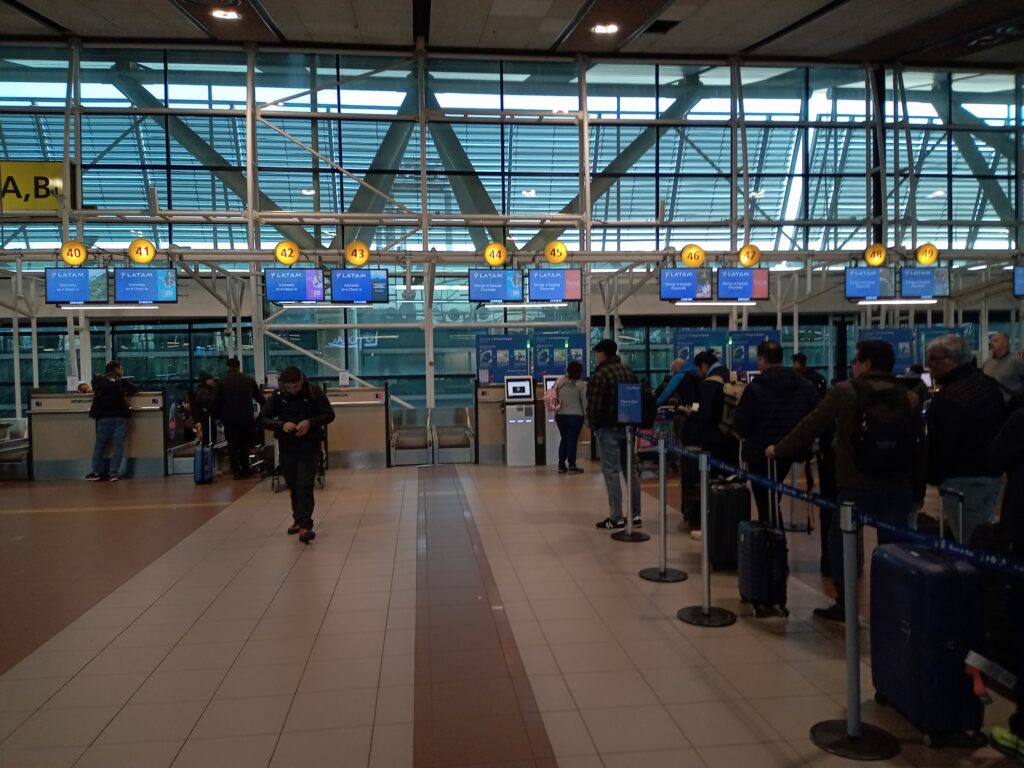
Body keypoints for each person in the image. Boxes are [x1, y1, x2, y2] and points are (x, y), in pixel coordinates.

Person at [767, 340, 926, 622]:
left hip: (856, 483)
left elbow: (811, 425)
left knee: (841, 543)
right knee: (895, 550)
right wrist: (918, 490)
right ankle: (895, 611)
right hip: (897, 484)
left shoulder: (846, 392)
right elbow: (919, 448)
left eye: (855, 360)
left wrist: (778, 450)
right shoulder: (909, 398)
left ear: (866, 364)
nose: (853, 365)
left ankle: (846, 604)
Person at [927, 334, 1006, 542]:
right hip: (991, 477)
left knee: (968, 543)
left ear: (953, 359)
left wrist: (933, 475)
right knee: (981, 536)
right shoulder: (989, 386)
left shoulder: (950, 397)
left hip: (962, 481)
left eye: (934, 359)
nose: (929, 365)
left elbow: (943, 443)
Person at [734, 341, 817, 522]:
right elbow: (815, 417)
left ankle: (774, 538)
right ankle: (773, 534)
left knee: (766, 504)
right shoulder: (805, 386)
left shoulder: (755, 387)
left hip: (760, 453)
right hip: (791, 449)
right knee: (772, 501)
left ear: (762, 360)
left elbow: (741, 424)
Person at [258, 366, 335, 543]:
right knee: (293, 484)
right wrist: (281, 425)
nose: (293, 390)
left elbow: (329, 415)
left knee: (304, 484)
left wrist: (310, 422)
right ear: (283, 385)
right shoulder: (278, 396)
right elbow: (261, 419)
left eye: (296, 386)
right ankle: (298, 519)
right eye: (289, 387)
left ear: (302, 380)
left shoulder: (314, 392)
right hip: (287, 447)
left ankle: (305, 526)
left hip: (310, 446)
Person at [586, 339, 642, 530]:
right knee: (630, 471)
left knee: (611, 472)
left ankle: (616, 517)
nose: (596, 356)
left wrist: (594, 425)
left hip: (608, 428)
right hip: (628, 428)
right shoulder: (628, 371)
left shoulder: (601, 374)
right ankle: (635, 515)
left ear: (603, 354)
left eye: (597, 353)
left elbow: (594, 404)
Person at [87, 360, 140, 482]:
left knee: (100, 445)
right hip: (119, 417)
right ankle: (113, 473)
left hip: (103, 416)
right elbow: (135, 389)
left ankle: (95, 472)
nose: (122, 370)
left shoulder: (98, 380)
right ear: (116, 369)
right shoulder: (121, 381)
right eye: (121, 368)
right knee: (118, 446)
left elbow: (93, 388)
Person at [215, 357, 266, 479]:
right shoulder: (249, 380)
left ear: (227, 367)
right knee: (245, 445)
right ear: (238, 366)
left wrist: (219, 416)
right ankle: (245, 469)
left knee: (232, 445)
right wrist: (266, 411)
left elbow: (215, 401)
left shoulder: (221, 382)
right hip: (246, 418)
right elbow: (260, 398)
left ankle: (235, 471)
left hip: (230, 419)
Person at [692, 350, 738, 467]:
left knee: (714, 471)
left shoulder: (708, 383)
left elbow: (706, 414)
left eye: (698, 369)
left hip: (714, 438)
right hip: (731, 433)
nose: (698, 373)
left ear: (703, 366)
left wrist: (693, 414)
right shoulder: (729, 374)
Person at [553, 360, 587, 475]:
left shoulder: (560, 381)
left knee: (564, 439)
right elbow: (585, 403)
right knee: (572, 441)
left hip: (560, 416)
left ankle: (561, 465)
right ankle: (572, 466)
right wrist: (587, 417)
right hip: (575, 416)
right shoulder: (581, 385)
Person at [982, 331, 1024, 407]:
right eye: (991, 341)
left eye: (995, 341)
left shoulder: (1016, 361)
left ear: (1005, 344)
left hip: (1010, 406)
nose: (991, 343)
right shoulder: (987, 363)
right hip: (990, 405)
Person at [191, 371, 217, 446]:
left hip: (203, 420)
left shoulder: (202, 390)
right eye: (210, 379)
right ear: (206, 381)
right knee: (208, 440)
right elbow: (208, 405)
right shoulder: (204, 392)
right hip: (205, 421)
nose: (213, 380)